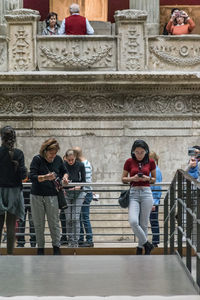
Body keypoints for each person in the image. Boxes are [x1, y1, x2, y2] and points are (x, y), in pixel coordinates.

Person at [30, 138, 69, 255]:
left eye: (55, 153)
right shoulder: (37, 159)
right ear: (45, 151)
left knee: (54, 223)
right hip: (37, 195)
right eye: (51, 153)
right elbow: (32, 176)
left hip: (52, 195)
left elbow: (64, 171)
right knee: (38, 223)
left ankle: (56, 246)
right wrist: (46, 177)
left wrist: (65, 177)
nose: (53, 156)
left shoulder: (58, 159)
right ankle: (40, 248)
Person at [121, 140, 156, 255]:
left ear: (146, 151)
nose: (140, 154)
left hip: (146, 192)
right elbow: (123, 179)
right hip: (134, 193)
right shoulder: (129, 162)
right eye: (137, 152)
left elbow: (154, 179)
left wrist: (147, 178)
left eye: (142, 152)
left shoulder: (151, 162)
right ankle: (147, 243)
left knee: (144, 223)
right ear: (133, 151)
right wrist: (133, 179)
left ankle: (141, 248)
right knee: (133, 221)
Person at [0, 126, 27, 255]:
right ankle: (10, 253)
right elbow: (23, 175)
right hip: (14, 191)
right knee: (11, 226)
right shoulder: (18, 153)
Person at [63, 149, 86, 247]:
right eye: (69, 160)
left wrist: (78, 187)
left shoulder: (80, 165)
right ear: (66, 159)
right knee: (68, 218)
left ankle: (75, 242)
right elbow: (59, 179)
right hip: (66, 192)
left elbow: (84, 181)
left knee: (75, 218)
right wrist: (63, 186)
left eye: (72, 160)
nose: (71, 162)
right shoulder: (63, 165)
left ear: (75, 158)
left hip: (78, 193)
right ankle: (70, 240)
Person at [73, 147, 94, 247]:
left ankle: (89, 240)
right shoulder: (87, 162)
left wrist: (85, 193)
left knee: (84, 217)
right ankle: (81, 239)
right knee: (81, 217)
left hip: (85, 193)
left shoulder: (84, 165)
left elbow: (85, 181)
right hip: (86, 192)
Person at [17, 175, 36, 248]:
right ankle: (21, 242)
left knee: (32, 223)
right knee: (21, 222)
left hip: (32, 201)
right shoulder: (19, 175)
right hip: (22, 201)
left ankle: (33, 242)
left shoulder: (32, 175)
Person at [149, 152, 162, 248]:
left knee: (153, 221)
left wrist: (154, 202)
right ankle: (154, 241)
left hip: (153, 201)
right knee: (152, 220)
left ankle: (155, 242)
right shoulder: (152, 170)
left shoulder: (156, 171)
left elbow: (157, 188)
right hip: (150, 199)